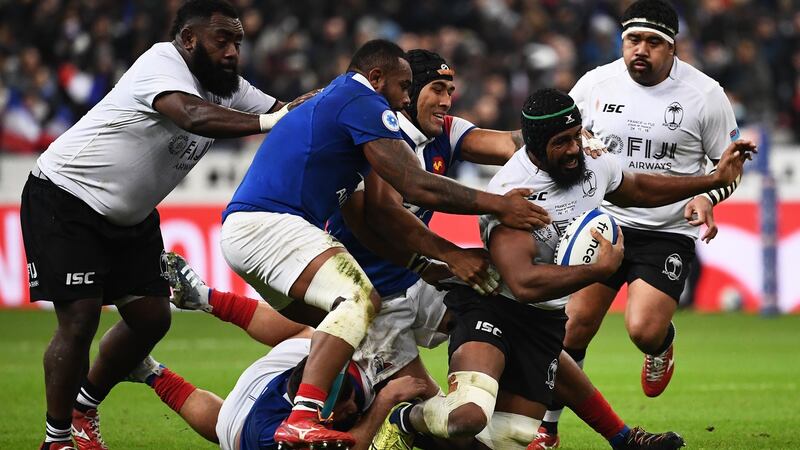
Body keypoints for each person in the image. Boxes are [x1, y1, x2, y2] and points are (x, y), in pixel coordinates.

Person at [370, 88, 751, 450]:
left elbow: (635, 188)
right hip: (495, 310)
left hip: (545, 323)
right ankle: (403, 419)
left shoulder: (590, 156)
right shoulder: (514, 194)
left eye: (575, 135)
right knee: (467, 417)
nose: (574, 150)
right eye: (561, 143)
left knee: (505, 439)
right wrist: (598, 270)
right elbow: (523, 284)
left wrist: (711, 179)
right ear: (534, 147)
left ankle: (620, 437)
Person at [218, 39, 548, 448]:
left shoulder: (348, 116)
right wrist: (495, 209)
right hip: (274, 225)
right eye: (405, 86)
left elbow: (369, 217)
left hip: (272, 238)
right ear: (376, 79)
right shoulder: (362, 103)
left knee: (371, 343)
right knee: (358, 299)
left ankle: (515, 422)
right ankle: (306, 415)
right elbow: (411, 188)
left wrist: (426, 266)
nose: (405, 98)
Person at [20, 1, 311, 449]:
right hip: (67, 197)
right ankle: (56, 439)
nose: (233, 51)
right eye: (222, 40)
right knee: (79, 321)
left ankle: (83, 407)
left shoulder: (227, 87)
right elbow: (190, 115)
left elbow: (291, 113)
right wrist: (274, 120)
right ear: (189, 39)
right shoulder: (161, 62)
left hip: (130, 217)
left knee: (151, 319)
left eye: (237, 41)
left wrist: (329, 104)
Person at [540, 0, 746, 443]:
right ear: (622, 39)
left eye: (654, 42)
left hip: (667, 230)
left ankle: (661, 344)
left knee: (643, 330)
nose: (641, 50)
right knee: (572, 327)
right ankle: (548, 428)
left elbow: (728, 170)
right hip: (602, 222)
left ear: (674, 48)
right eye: (634, 39)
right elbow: (558, 145)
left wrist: (709, 197)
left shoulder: (705, 95)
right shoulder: (595, 84)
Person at [129, 252, 429, 450]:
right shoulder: (282, 438)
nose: (352, 410)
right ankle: (149, 371)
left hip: (274, 375)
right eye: (346, 409)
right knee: (223, 424)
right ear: (319, 414)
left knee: (312, 330)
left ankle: (205, 299)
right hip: (243, 431)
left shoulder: (337, 375)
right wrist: (385, 401)